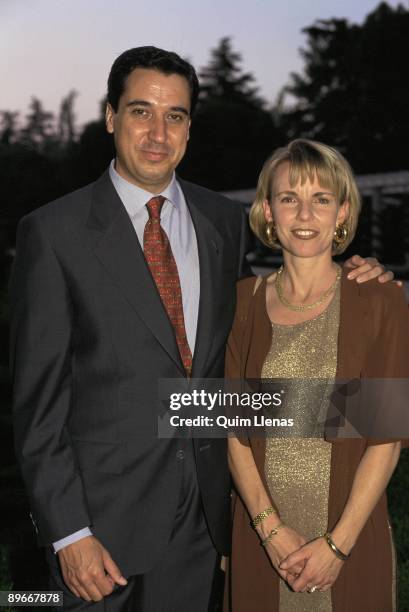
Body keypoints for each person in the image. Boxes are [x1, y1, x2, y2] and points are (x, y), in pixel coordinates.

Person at [9, 46, 391, 612]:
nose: (158, 132)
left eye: (176, 115)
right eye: (141, 111)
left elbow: (228, 386)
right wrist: (68, 532)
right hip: (97, 533)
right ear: (111, 116)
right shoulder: (53, 233)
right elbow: (36, 406)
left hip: (204, 526)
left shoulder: (222, 223)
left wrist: (360, 290)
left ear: (190, 127)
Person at [224, 139, 409, 612]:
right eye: (290, 198)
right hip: (261, 544)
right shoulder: (241, 303)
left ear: (341, 212)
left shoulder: (380, 301)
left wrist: (337, 546)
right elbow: (232, 430)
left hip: (350, 542)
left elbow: (385, 439)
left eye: (321, 199)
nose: (305, 214)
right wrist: (269, 531)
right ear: (268, 211)